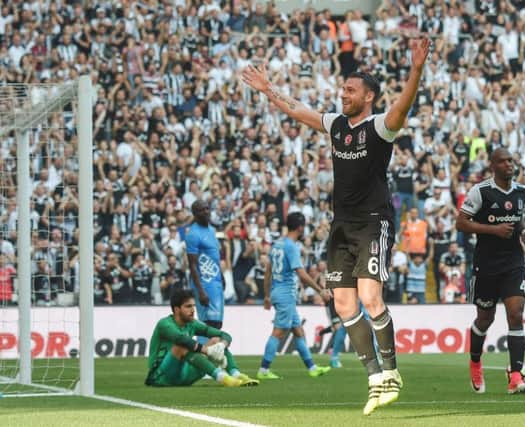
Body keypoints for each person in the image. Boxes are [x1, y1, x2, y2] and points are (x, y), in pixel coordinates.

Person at [242, 36, 431, 416]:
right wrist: (269, 91)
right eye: (343, 88)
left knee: (370, 297)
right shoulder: (336, 125)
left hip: (373, 222)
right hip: (341, 225)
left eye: (350, 90)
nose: (343, 94)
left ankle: (392, 371)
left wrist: (416, 70)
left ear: (368, 97)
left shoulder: (380, 127)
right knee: (344, 304)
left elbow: (403, 106)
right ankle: (376, 378)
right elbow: (299, 111)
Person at [456, 147, 525, 394]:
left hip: (513, 262)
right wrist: (494, 230)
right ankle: (475, 362)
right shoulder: (481, 192)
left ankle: (515, 377)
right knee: (485, 319)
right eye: (503, 161)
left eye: (511, 160)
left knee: (516, 313)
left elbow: (517, 217)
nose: (509, 164)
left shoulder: (523, 191)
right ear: (493, 166)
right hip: (486, 265)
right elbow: (461, 223)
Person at [258, 212, 332, 380]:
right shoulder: (291, 247)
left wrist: (267, 295)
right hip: (286, 294)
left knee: (298, 331)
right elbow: (301, 273)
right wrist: (320, 289)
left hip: (278, 292)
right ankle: (263, 370)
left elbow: (268, 271)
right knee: (278, 332)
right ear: (300, 227)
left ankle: (312, 368)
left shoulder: (277, 245)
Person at [145, 289, 258, 387]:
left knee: (216, 341)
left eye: (194, 306)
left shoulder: (192, 323)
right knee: (181, 346)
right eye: (188, 306)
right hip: (161, 377)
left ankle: (236, 375)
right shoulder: (164, 324)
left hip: (184, 375)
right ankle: (224, 379)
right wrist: (208, 351)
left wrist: (221, 345)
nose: (193, 310)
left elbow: (225, 335)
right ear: (176, 309)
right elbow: (182, 340)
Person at [186, 200, 225, 338]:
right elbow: (192, 265)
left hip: (216, 282)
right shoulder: (193, 234)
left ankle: (208, 357)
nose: (206, 212)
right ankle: (200, 356)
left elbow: (213, 257)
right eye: (202, 210)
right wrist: (200, 290)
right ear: (195, 214)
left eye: (207, 209)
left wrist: (222, 276)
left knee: (217, 324)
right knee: (208, 324)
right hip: (205, 283)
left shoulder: (211, 230)